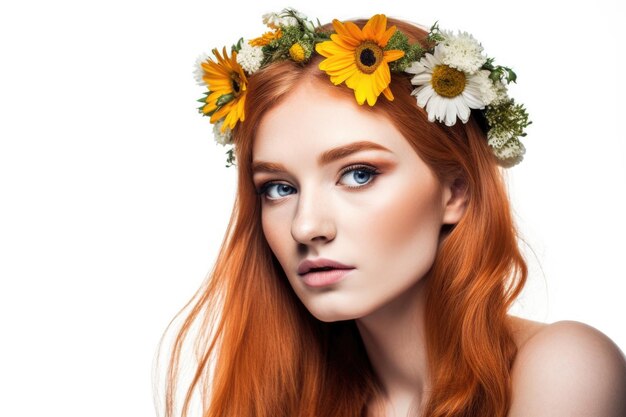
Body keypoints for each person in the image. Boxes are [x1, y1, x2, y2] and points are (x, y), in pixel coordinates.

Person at [157, 9, 626, 417]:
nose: (306, 226)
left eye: (358, 174)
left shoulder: (561, 368)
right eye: (279, 188)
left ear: (455, 193)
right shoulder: (283, 395)